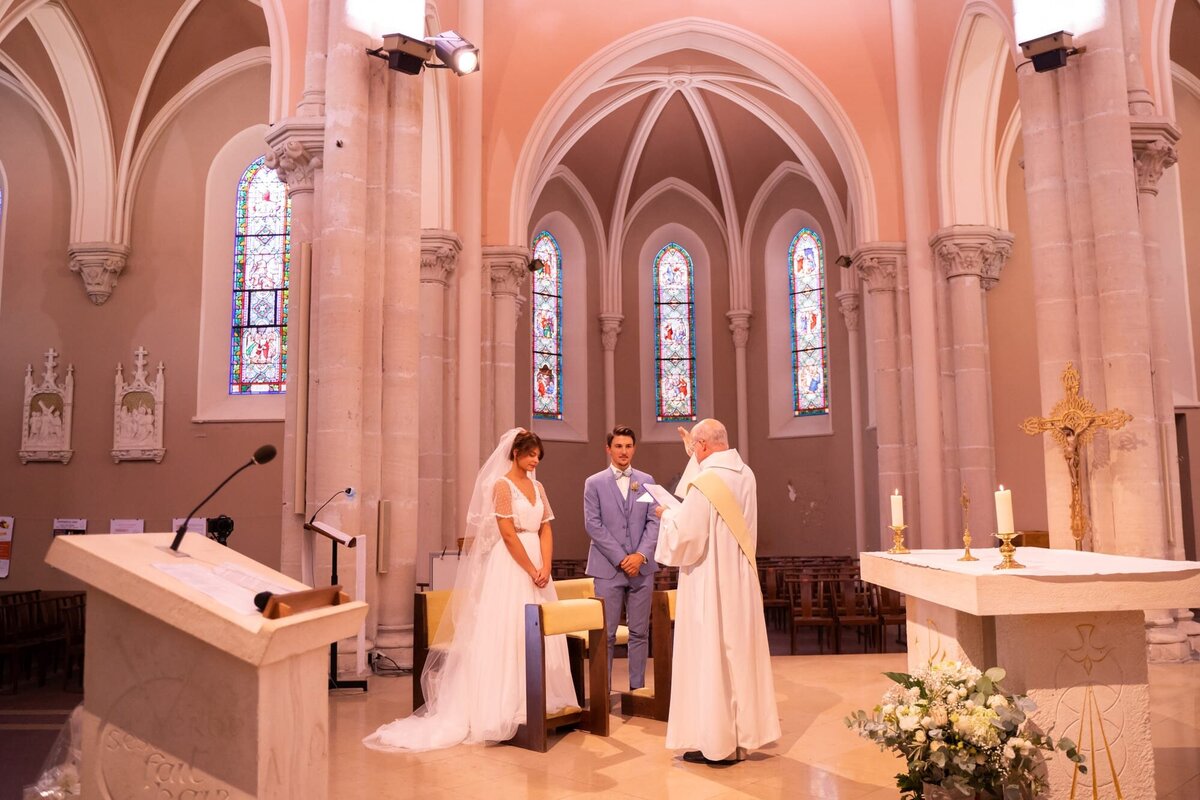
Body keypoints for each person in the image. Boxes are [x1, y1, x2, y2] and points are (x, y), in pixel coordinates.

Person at [364, 428, 578, 751]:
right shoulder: (501, 486)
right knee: (509, 631)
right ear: (515, 453)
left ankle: (540, 698)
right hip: (513, 565)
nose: (535, 460)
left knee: (541, 631)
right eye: (531, 454)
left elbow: (546, 527)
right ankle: (505, 704)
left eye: (538, 455)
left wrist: (546, 566)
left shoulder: (538, 486)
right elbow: (507, 534)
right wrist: (532, 568)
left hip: (538, 565)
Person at [654, 419, 779, 764]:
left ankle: (716, 744)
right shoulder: (745, 473)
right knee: (736, 656)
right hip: (741, 577)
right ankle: (739, 738)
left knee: (711, 656)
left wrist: (666, 516)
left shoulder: (706, 481)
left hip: (710, 579)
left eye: (695, 448)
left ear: (703, 446)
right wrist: (693, 456)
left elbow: (688, 538)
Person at [583, 425, 659, 691]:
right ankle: (602, 694)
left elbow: (654, 522)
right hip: (608, 569)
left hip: (642, 569)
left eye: (628, 446)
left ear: (634, 448)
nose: (623, 451)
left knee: (640, 633)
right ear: (608, 449)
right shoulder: (594, 483)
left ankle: (637, 690)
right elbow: (593, 525)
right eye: (618, 446)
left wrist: (639, 556)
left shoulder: (647, 480)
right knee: (606, 634)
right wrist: (621, 558)